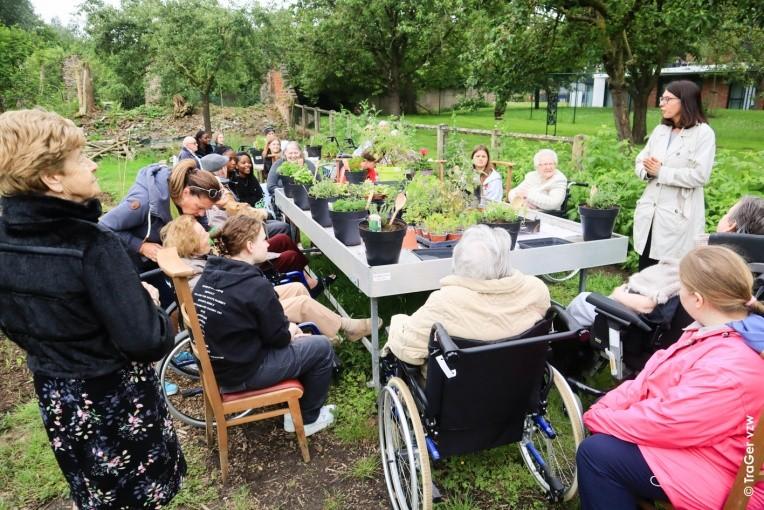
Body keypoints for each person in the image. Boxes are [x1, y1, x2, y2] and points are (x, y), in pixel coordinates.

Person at [0, 109, 185, 508]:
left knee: (94, 494)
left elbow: (17, 320)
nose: (94, 164)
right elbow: (147, 342)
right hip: (111, 400)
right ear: (53, 178)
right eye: (81, 158)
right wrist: (149, 302)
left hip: (57, 396)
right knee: (137, 498)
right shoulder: (93, 244)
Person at [577, 245, 764, 510]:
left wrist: (601, 417)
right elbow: (652, 378)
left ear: (697, 299)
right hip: (709, 445)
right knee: (607, 439)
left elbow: (671, 423)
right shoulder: (715, 330)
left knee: (597, 454)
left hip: (737, 478)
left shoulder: (731, 365)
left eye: (681, 287)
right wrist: (610, 405)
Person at [193, 215, 338, 436]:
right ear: (250, 246)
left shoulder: (208, 276)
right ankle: (308, 418)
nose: (268, 244)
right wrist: (290, 330)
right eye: (263, 239)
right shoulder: (254, 285)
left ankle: (298, 402)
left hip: (220, 366)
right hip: (244, 373)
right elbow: (278, 338)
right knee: (322, 347)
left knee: (301, 338)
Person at [161, 214, 375, 342]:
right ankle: (344, 328)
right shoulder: (193, 273)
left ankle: (326, 333)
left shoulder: (194, 260)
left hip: (236, 304)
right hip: (238, 315)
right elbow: (224, 300)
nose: (208, 234)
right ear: (190, 242)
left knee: (297, 288)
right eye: (202, 234)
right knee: (301, 302)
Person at [567, 195, 764, 328]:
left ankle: (568, 360)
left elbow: (647, 305)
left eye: (726, 213)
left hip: (638, 320)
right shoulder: (749, 272)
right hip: (682, 323)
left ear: (730, 225)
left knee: (582, 301)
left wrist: (619, 292)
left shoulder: (703, 263)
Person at [382, 225, 550, 367]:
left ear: (458, 261)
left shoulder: (444, 302)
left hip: (457, 387)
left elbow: (409, 349)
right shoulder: (536, 289)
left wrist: (398, 322)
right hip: (518, 379)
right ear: (503, 262)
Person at [633, 80, 716, 270]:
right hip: (650, 212)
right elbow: (640, 161)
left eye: (667, 99)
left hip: (678, 216)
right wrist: (647, 172)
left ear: (685, 101)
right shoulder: (661, 131)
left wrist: (661, 172)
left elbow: (700, 175)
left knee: (671, 271)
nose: (661, 104)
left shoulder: (703, 133)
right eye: (661, 99)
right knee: (646, 267)